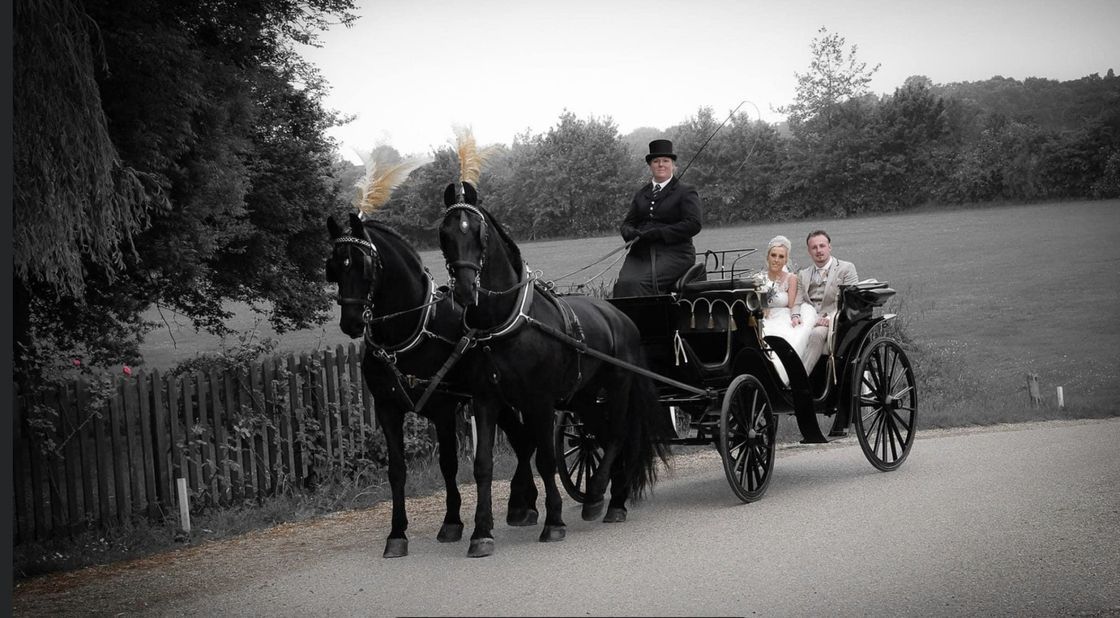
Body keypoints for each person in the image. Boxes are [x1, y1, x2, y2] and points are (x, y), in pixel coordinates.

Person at [612, 139, 703, 297]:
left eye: (665, 161)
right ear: (650, 165)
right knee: (622, 285)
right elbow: (628, 223)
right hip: (640, 254)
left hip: (675, 253)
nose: (661, 165)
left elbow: (693, 224)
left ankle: (649, 322)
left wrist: (660, 233)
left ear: (673, 165)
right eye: (656, 161)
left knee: (640, 284)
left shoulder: (686, 191)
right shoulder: (641, 194)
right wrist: (631, 233)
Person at [794, 230, 858, 376]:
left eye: (822, 246)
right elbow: (797, 301)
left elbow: (851, 301)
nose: (819, 251)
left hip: (834, 321)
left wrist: (830, 318)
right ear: (809, 251)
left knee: (816, 334)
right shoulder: (803, 274)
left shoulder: (846, 269)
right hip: (809, 318)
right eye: (814, 247)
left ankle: (799, 381)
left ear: (829, 247)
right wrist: (795, 316)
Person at [758, 235, 818, 385]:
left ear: (786, 260)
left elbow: (792, 304)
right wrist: (763, 304)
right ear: (768, 257)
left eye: (780, 257)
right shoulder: (759, 279)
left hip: (783, 315)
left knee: (780, 341)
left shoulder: (791, 278)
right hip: (764, 316)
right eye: (773, 255)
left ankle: (779, 376)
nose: (776, 260)